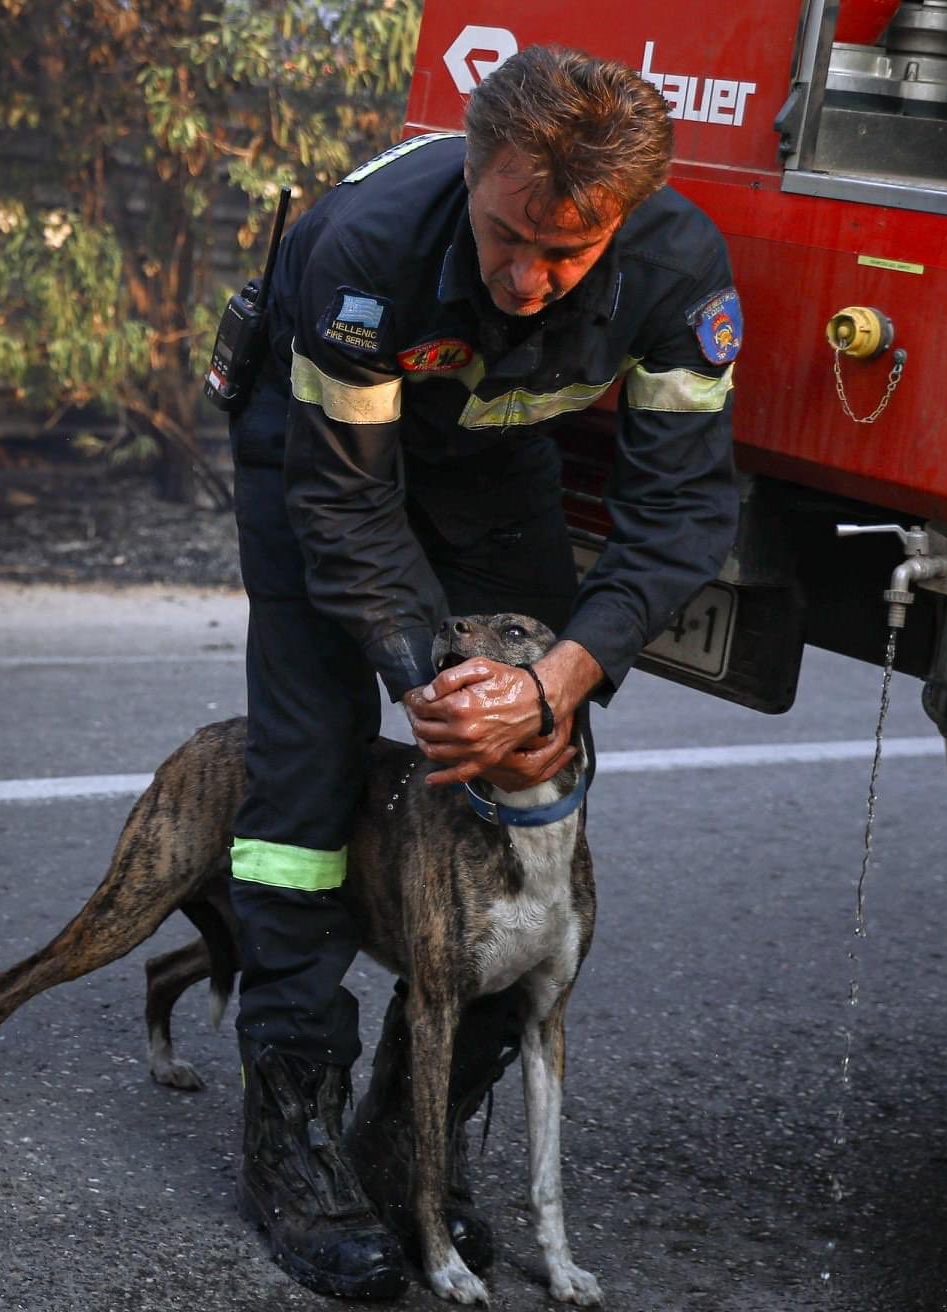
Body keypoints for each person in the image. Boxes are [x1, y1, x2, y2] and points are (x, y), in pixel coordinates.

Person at [223, 44, 741, 1300]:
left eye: (566, 254)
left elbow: (677, 517)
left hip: (492, 452)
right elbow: (346, 515)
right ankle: (290, 1127)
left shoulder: (680, 269)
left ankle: (418, 1127)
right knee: (306, 775)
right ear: (472, 166)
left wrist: (551, 684)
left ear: (622, 217)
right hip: (320, 458)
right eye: (507, 234)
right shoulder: (363, 250)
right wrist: (427, 680)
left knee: (534, 770)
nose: (527, 277)